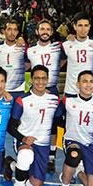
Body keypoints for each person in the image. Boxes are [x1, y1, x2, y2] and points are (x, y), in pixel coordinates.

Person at [4, 65, 63, 186]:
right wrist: (23, 138)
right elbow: (11, 127)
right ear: (31, 80)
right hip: (25, 141)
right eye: (36, 78)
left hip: (42, 146)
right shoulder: (22, 100)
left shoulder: (54, 100)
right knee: (25, 156)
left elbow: (57, 122)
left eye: (43, 78)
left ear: (48, 80)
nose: (40, 82)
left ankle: (11, 165)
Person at [55, 70, 93, 186]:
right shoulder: (68, 101)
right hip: (72, 141)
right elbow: (57, 118)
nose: (88, 85)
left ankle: (77, 172)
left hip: (91, 145)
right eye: (84, 81)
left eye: (91, 82)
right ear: (78, 84)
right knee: (74, 155)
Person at [26, 19, 66, 173]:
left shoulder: (58, 47)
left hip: (52, 90)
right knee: (34, 122)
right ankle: (31, 151)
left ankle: (51, 156)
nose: (45, 31)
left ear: (52, 31)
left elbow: (64, 59)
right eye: (42, 28)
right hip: (35, 91)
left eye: (48, 29)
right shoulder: (30, 50)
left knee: (53, 125)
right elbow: (26, 66)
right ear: (37, 31)